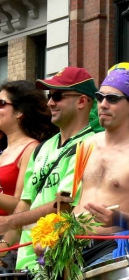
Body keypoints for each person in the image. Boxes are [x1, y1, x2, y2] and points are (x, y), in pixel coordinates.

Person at [0, 66, 97, 271]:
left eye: (58, 96)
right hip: (26, 263)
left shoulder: (92, 145)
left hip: (59, 263)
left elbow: (62, 205)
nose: (50, 102)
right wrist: (4, 249)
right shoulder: (43, 147)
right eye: (49, 95)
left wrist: (9, 221)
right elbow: (25, 202)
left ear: (82, 101)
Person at [73, 69, 129, 265]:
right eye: (100, 97)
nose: (103, 105)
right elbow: (78, 204)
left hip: (112, 250)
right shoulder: (86, 145)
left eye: (113, 99)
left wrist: (120, 219)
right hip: (71, 248)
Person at [0, 80, 57, 270]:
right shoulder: (3, 151)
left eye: (1, 104)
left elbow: (22, 203)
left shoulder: (31, 149)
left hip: (9, 240)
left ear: (19, 112)